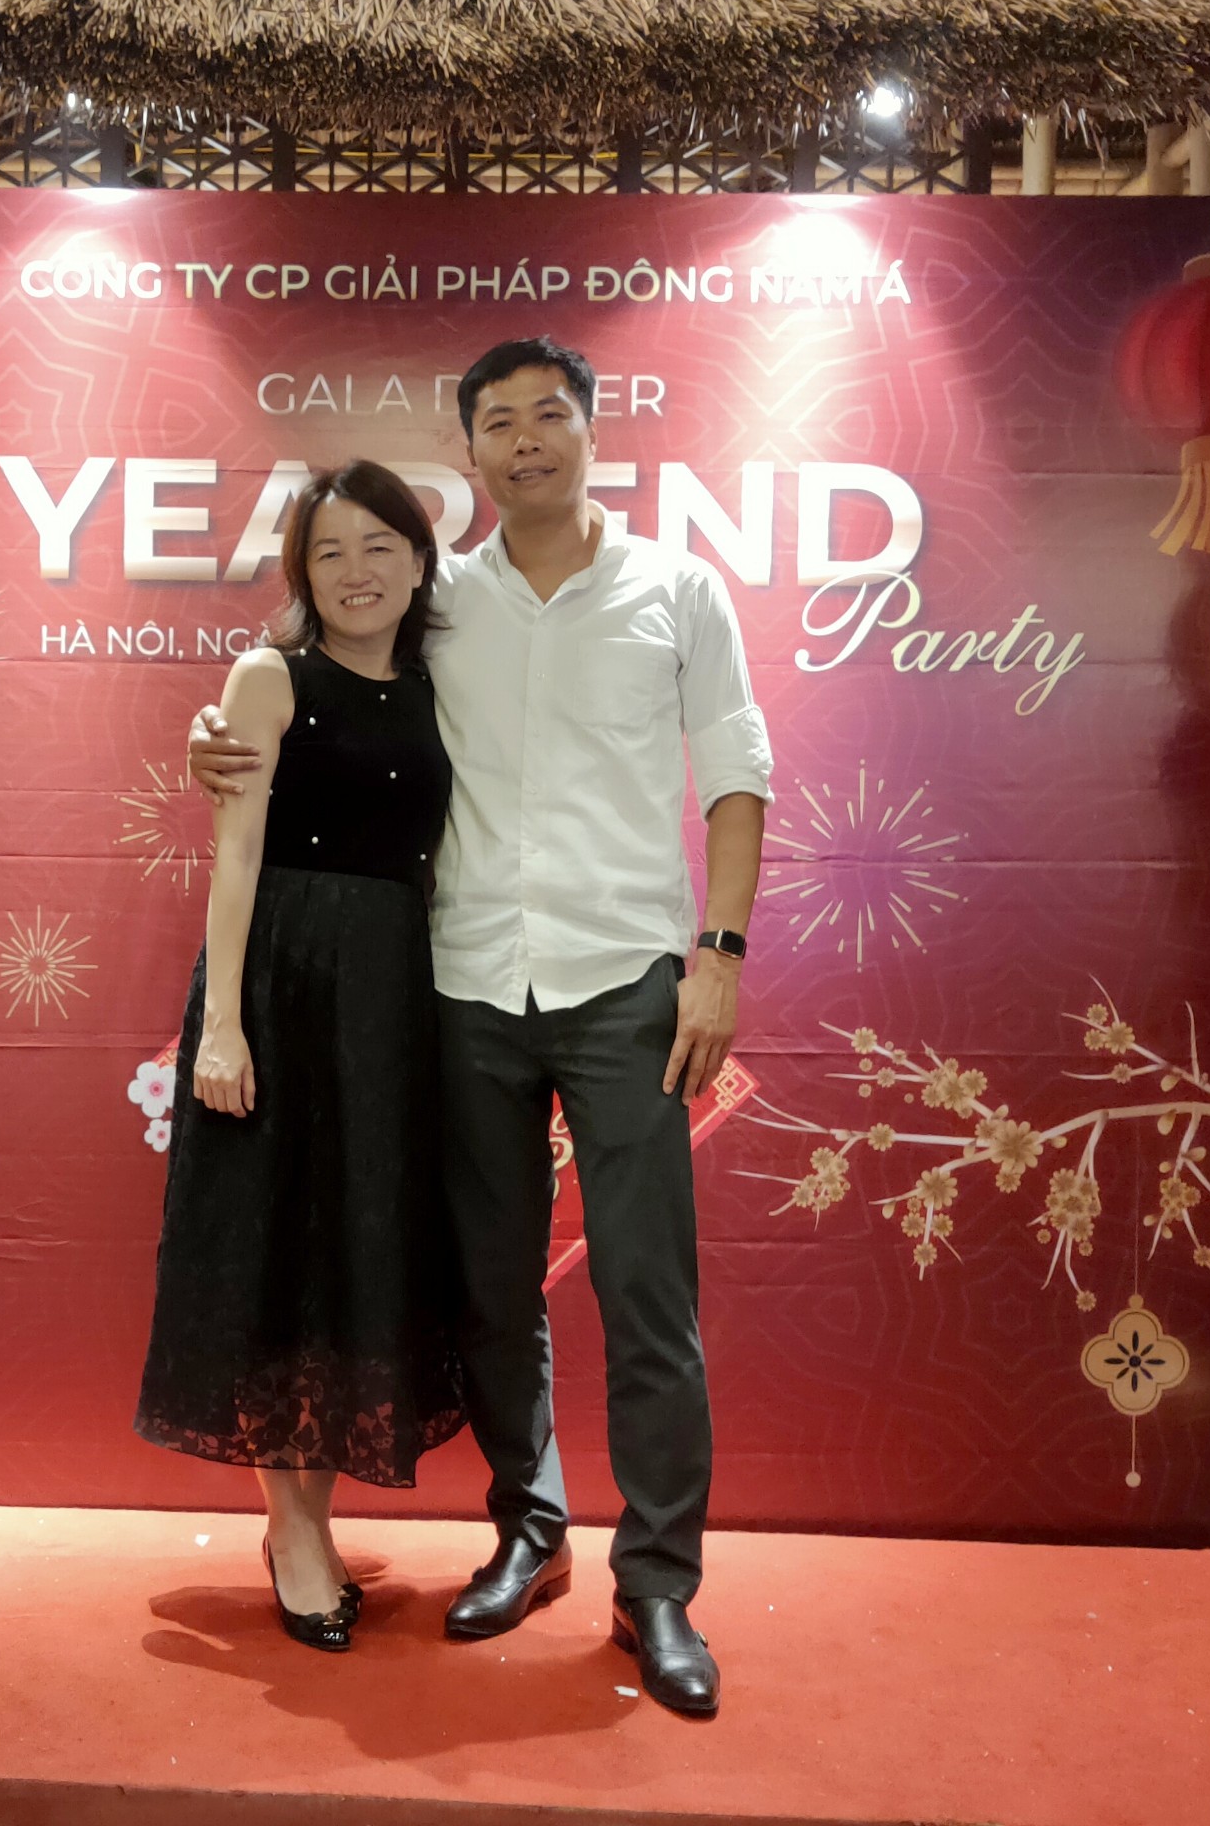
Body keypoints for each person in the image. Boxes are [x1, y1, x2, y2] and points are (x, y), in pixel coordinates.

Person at [189, 336, 770, 1714]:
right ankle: (531, 1529)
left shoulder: (678, 590)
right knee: (493, 1292)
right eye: (497, 422)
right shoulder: (440, 599)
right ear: (469, 454)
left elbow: (737, 771)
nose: (525, 441)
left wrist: (720, 957)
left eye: (547, 415)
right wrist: (219, 737)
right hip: (464, 989)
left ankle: (659, 1584)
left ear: (592, 431)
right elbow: (318, 677)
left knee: (648, 1299)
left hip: (628, 987)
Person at [134, 460, 468, 1653]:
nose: (356, 571)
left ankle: (304, 1526)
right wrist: (223, 1022)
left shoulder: (442, 686)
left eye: (379, 546)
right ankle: (295, 1531)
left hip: (393, 999)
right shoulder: (269, 677)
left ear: (420, 561)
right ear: (300, 574)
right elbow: (234, 856)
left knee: (354, 1254)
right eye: (329, 552)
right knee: (267, 1252)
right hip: (279, 985)